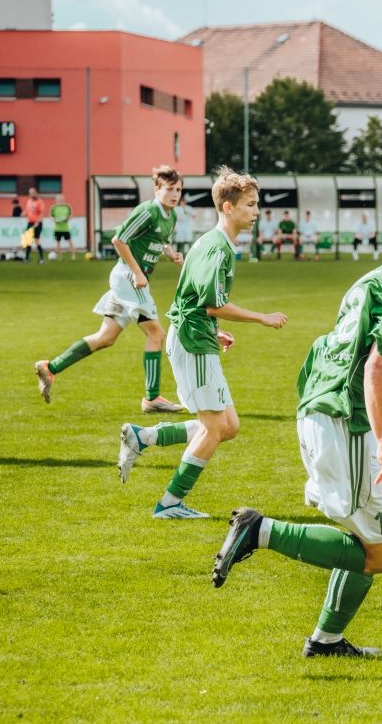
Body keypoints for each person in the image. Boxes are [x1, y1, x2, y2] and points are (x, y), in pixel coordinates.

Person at [209, 182, 382, 658]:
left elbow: (376, 372)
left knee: (364, 540)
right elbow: (376, 369)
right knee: (380, 554)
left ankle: (326, 640)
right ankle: (259, 530)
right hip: (343, 420)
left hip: (318, 408)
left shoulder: (371, 280)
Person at [116, 167, 288, 518]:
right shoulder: (217, 248)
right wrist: (262, 317)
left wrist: (213, 328)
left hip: (198, 334)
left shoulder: (215, 242)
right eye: (250, 205)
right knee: (214, 428)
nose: (256, 212)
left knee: (230, 426)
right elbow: (212, 303)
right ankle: (169, 503)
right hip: (192, 342)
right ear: (228, 207)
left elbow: (195, 300)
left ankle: (143, 437)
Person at [35, 167, 186, 412]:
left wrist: (169, 254)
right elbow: (118, 240)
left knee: (106, 338)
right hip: (128, 277)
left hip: (132, 279)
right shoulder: (147, 210)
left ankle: (50, 368)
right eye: (169, 189)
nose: (174, 194)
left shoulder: (171, 216)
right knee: (156, 335)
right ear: (157, 190)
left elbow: (160, 239)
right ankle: (151, 398)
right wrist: (137, 272)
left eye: (178, 190)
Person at [23, 188, 45, 264]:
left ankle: (41, 258)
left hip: (37, 223)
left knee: (37, 240)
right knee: (28, 240)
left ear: (36, 193)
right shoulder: (29, 201)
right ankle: (26, 258)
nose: (31, 193)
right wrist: (23, 213)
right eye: (30, 192)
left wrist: (37, 222)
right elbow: (28, 211)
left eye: (33, 192)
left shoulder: (39, 201)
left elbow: (42, 213)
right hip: (30, 223)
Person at [51, 194, 75, 261]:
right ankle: (60, 256)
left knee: (70, 242)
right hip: (57, 228)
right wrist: (55, 220)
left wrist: (67, 219)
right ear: (56, 200)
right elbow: (51, 216)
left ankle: (73, 256)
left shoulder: (67, 207)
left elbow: (71, 215)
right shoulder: (54, 208)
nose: (60, 201)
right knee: (58, 243)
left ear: (63, 200)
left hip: (65, 228)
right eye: (59, 199)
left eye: (61, 199)